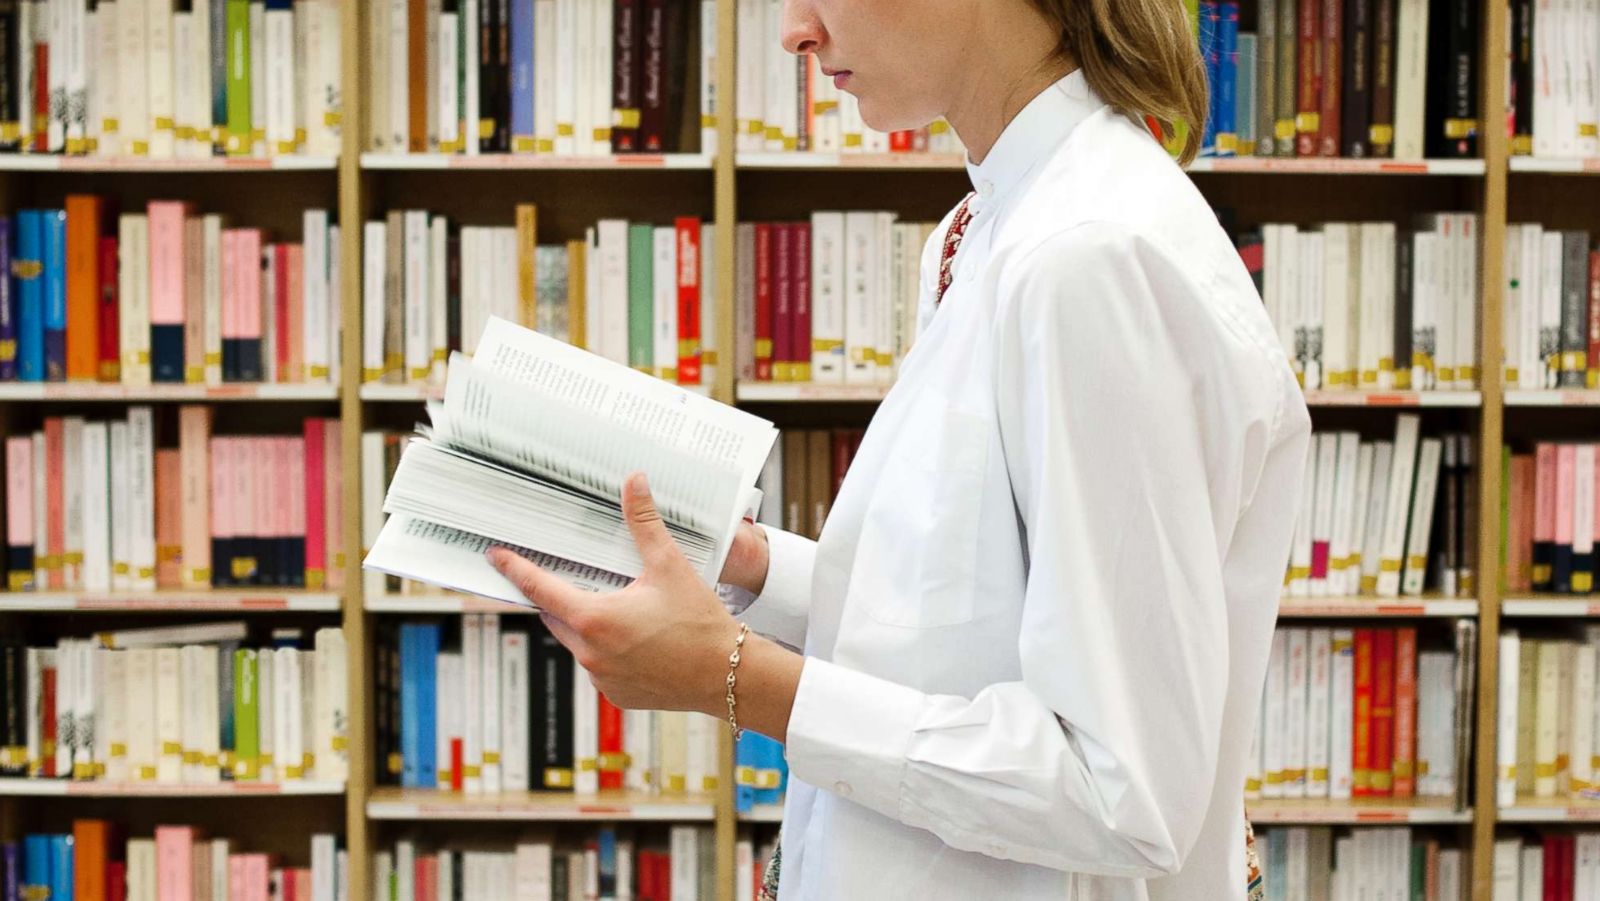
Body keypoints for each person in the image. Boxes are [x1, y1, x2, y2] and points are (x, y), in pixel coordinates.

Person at [486, 0, 1312, 897]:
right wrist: (753, 569)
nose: (793, 32)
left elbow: (1120, 791)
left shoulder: (1090, 258)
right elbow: (973, 618)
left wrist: (734, 677)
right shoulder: (983, 227)